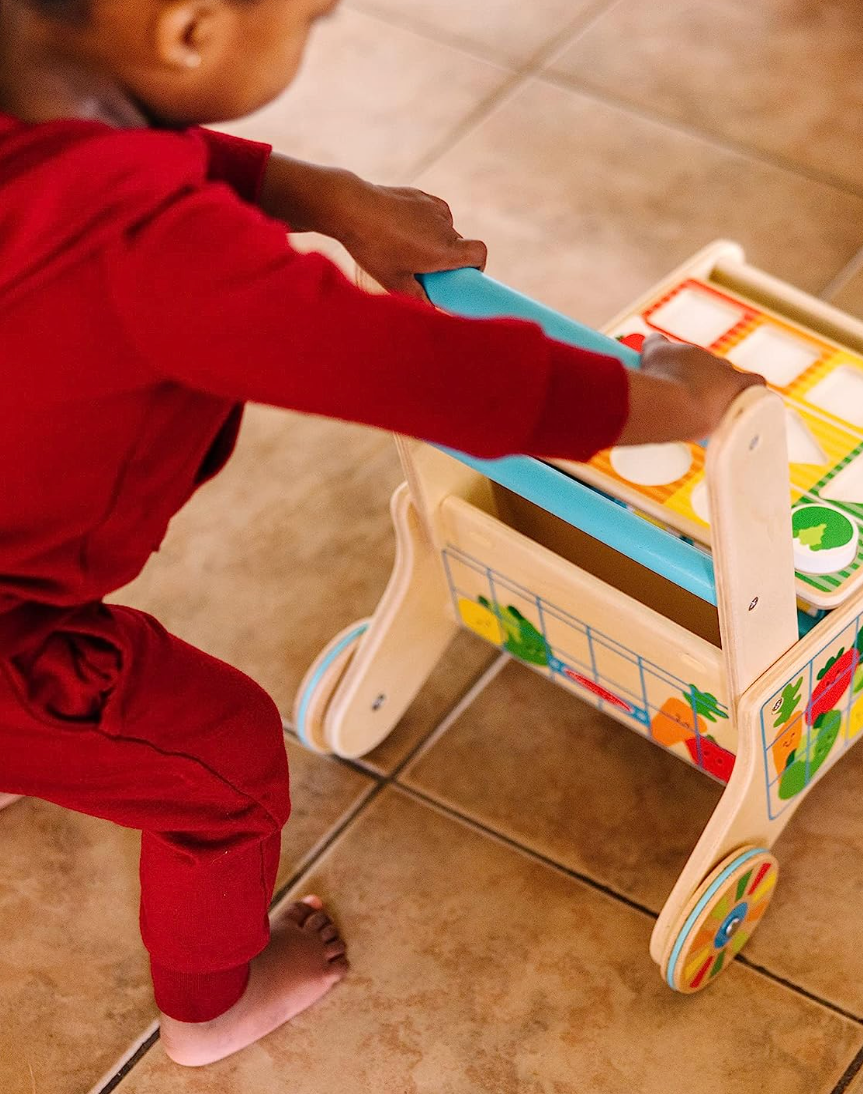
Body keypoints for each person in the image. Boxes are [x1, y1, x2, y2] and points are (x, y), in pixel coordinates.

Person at [0, 0, 761, 1068]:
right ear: (188, 33)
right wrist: (664, 399)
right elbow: (411, 367)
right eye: (313, 16)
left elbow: (123, 154)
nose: (324, 23)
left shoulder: (34, 94)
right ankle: (211, 1007)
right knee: (220, 762)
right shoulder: (149, 245)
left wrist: (322, 195)